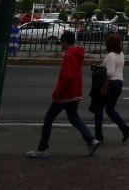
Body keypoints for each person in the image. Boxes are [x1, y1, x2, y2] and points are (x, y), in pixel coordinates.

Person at [26, 30, 100, 158]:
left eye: (61, 42)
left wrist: (58, 90)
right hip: (74, 92)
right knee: (74, 118)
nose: (60, 44)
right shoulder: (77, 54)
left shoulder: (69, 55)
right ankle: (91, 140)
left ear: (65, 41)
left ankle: (42, 148)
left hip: (65, 94)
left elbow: (67, 77)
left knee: (49, 118)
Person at [92, 33, 129, 143]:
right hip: (119, 84)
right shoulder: (121, 54)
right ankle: (124, 127)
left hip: (109, 84)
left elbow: (110, 73)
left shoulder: (110, 56)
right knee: (110, 109)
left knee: (99, 110)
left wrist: (100, 73)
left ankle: (98, 136)